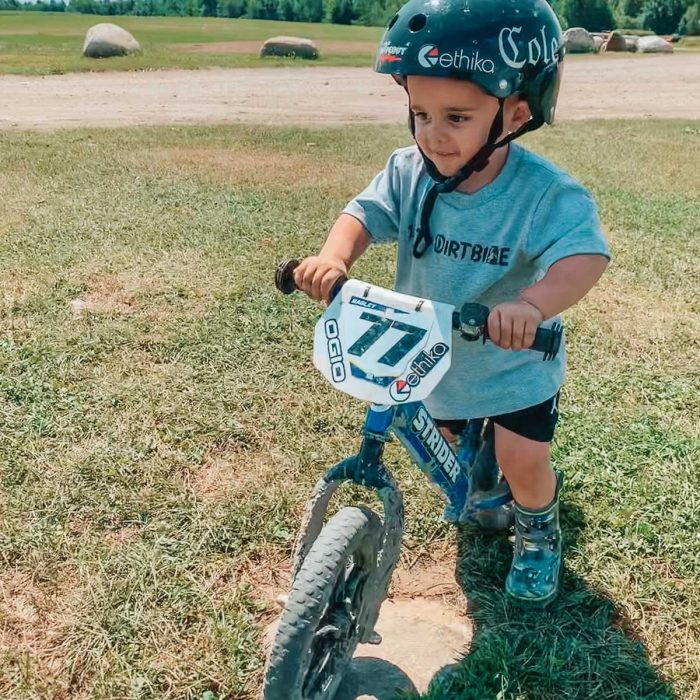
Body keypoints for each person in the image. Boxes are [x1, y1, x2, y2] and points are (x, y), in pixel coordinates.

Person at [292, 0, 610, 605]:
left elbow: (583, 256)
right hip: (432, 352)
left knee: (521, 457)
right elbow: (364, 213)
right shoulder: (409, 170)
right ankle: (482, 479)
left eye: (457, 116)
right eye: (419, 112)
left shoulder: (542, 193)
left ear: (516, 113)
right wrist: (335, 257)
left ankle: (539, 525)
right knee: (443, 432)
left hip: (513, 364)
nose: (433, 134)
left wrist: (533, 307)